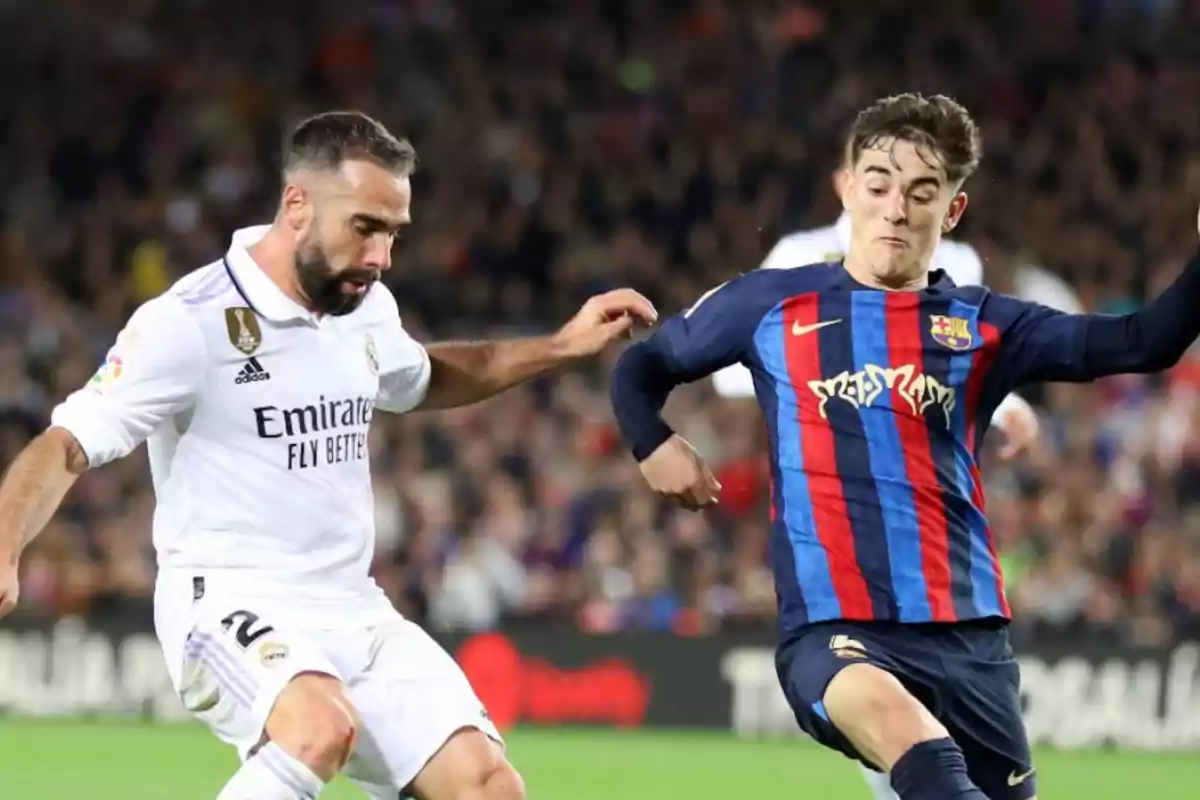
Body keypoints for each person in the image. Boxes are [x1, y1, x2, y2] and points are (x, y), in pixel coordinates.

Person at [0, 111, 655, 800]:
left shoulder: (364, 309)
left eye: (393, 233)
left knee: (488, 787)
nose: (381, 257)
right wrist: (5, 544)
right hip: (224, 600)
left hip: (352, 608)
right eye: (365, 228)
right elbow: (65, 444)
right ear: (297, 207)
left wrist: (558, 346)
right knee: (318, 730)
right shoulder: (187, 323)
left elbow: (428, 376)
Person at [610, 92, 1200, 800]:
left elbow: (1145, 342)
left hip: (970, 639)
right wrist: (653, 443)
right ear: (850, 188)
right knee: (930, 763)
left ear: (952, 211)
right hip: (835, 634)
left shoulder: (985, 326)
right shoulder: (769, 303)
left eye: (922, 193)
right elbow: (640, 367)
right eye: (881, 185)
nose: (896, 208)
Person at [713, 147, 1040, 465]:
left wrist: (1004, 406)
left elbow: (957, 364)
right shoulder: (799, 257)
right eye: (879, 183)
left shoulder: (956, 263)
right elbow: (731, 368)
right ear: (845, 184)